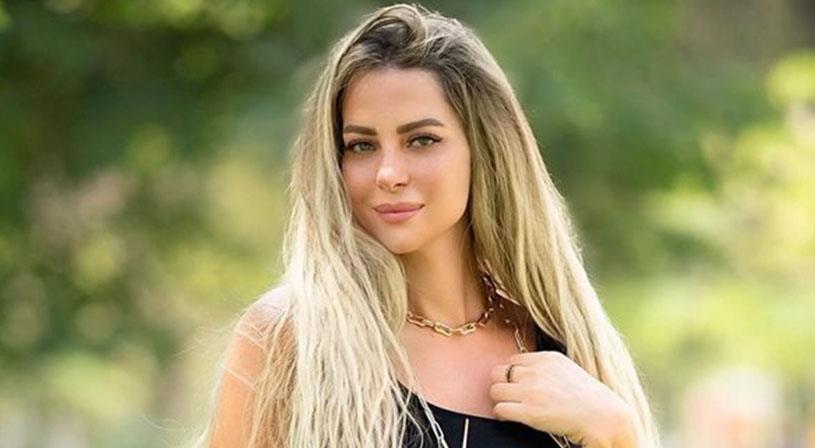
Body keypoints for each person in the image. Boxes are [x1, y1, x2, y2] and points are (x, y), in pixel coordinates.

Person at [200, 3, 661, 447]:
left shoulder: (560, 340)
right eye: (361, 146)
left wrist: (617, 435)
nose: (388, 173)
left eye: (421, 140)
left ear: (484, 150)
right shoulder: (289, 339)